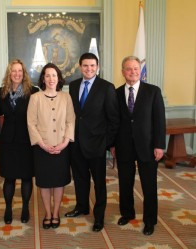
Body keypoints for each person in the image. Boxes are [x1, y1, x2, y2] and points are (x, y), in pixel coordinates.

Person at [111, 56, 166, 236]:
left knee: (149, 186)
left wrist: (159, 145)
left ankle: (149, 220)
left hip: (148, 147)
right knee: (125, 184)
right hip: (124, 146)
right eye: (128, 69)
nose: (132, 72)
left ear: (140, 70)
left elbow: (159, 121)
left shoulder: (153, 91)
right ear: (122, 72)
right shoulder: (116, 93)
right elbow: (114, 122)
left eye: (135, 68)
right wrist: (112, 145)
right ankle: (127, 213)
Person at [65, 52, 120, 232]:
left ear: (97, 67)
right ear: (80, 66)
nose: (89, 69)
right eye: (85, 65)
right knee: (80, 178)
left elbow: (113, 119)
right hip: (76, 143)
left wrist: (106, 143)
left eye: (92, 66)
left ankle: (99, 216)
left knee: (99, 182)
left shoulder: (107, 87)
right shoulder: (73, 86)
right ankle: (82, 207)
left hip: (97, 144)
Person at [27, 63, 75, 229]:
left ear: (58, 78)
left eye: (54, 75)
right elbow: (31, 124)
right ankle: (48, 213)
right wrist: (42, 144)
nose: (51, 79)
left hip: (62, 146)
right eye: (47, 75)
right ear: (43, 79)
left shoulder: (66, 97)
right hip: (42, 148)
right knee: (45, 182)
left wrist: (65, 142)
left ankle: (56, 213)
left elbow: (71, 121)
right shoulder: (35, 98)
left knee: (59, 181)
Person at [0, 59, 39, 224]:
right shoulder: (1, 91)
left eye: (20, 71)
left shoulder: (33, 91)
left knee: (27, 177)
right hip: (8, 141)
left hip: (26, 140)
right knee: (9, 178)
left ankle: (25, 208)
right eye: (13, 71)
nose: (17, 74)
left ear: (24, 73)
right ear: (9, 73)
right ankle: (8, 208)